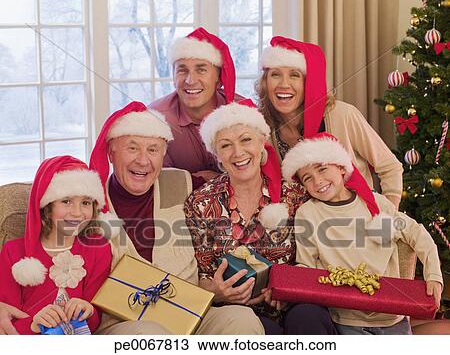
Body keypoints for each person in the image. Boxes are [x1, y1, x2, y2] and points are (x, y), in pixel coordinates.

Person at [88, 101, 263, 335]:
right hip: (124, 325)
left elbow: (238, 176)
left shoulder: (182, 182)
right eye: (132, 148)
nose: (143, 160)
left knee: (240, 318)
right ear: (111, 152)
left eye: (152, 149)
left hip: (190, 314)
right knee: (151, 336)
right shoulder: (87, 204)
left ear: (163, 154)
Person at [185, 100, 337, 335]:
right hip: (237, 313)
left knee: (308, 317)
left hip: (294, 304)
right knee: (255, 328)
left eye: (246, 140)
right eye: (226, 146)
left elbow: (317, 259)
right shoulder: (201, 203)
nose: (238, 153)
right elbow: (200, 276)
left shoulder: (295, 194)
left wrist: (286, 289)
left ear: (262, 144)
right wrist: (218, 291)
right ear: (217, 156)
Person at [281, 132, 443, 335]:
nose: (318, 181)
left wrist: (434, 275)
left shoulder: (376, 204)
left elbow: (417, 234)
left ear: (341, 167)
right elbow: (306, 266)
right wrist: (289, 287)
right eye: (308, 178)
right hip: (345, 320)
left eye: (322, 169)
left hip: (392, 318)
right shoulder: (308, 213)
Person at [255, 36, 403, 208]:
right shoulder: (263, 130)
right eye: (275, 75)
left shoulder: (342, 115)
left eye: (294, 75)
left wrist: (387, 218)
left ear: (309, 82)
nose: (284, 84)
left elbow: (390, 167)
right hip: (307, 228)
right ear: (266, 83)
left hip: (358, 222)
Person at [0, 156, 112, 334]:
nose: (77, 213)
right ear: (47, 207)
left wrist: (87, 310)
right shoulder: (13, 252)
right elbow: (6, 324)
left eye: (85, 203)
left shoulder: (98, 249)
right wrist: (34, 324)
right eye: (66, 201)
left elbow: (95, 319)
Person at [150, 27, 242, 189]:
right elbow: (159, 181)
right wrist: (195, 181)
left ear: (219, 79)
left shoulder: (243, 113)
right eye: (182, 71)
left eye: (201, 70)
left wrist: (219, 180)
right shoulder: (156, 118)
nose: (190, 80)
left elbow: (258, 171)